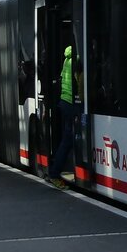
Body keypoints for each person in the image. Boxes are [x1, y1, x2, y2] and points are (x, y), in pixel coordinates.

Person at [45, 44, 81, 189]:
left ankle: (56, 171)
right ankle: (54, 173)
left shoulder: (67, 59)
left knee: (68, 138)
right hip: (72, 102)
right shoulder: (77, 60)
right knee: (69, 139)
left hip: (64, 101)